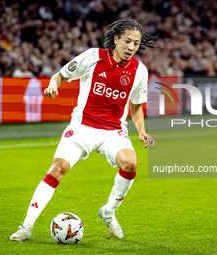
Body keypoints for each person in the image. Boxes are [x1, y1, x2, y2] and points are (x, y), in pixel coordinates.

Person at [10, 19, 157, 241]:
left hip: (113, 131)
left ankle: (108, 211)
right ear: (116, 39)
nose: (131, 47)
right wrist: (53, 85)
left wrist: (141, 131)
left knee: (131, 163)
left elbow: (136, 107)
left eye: (136, 44)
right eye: (127, 41)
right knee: (57, 168)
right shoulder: (93, 57)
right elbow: (60, 75)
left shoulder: (139, 71)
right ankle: (26, 226)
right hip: (82, 127)